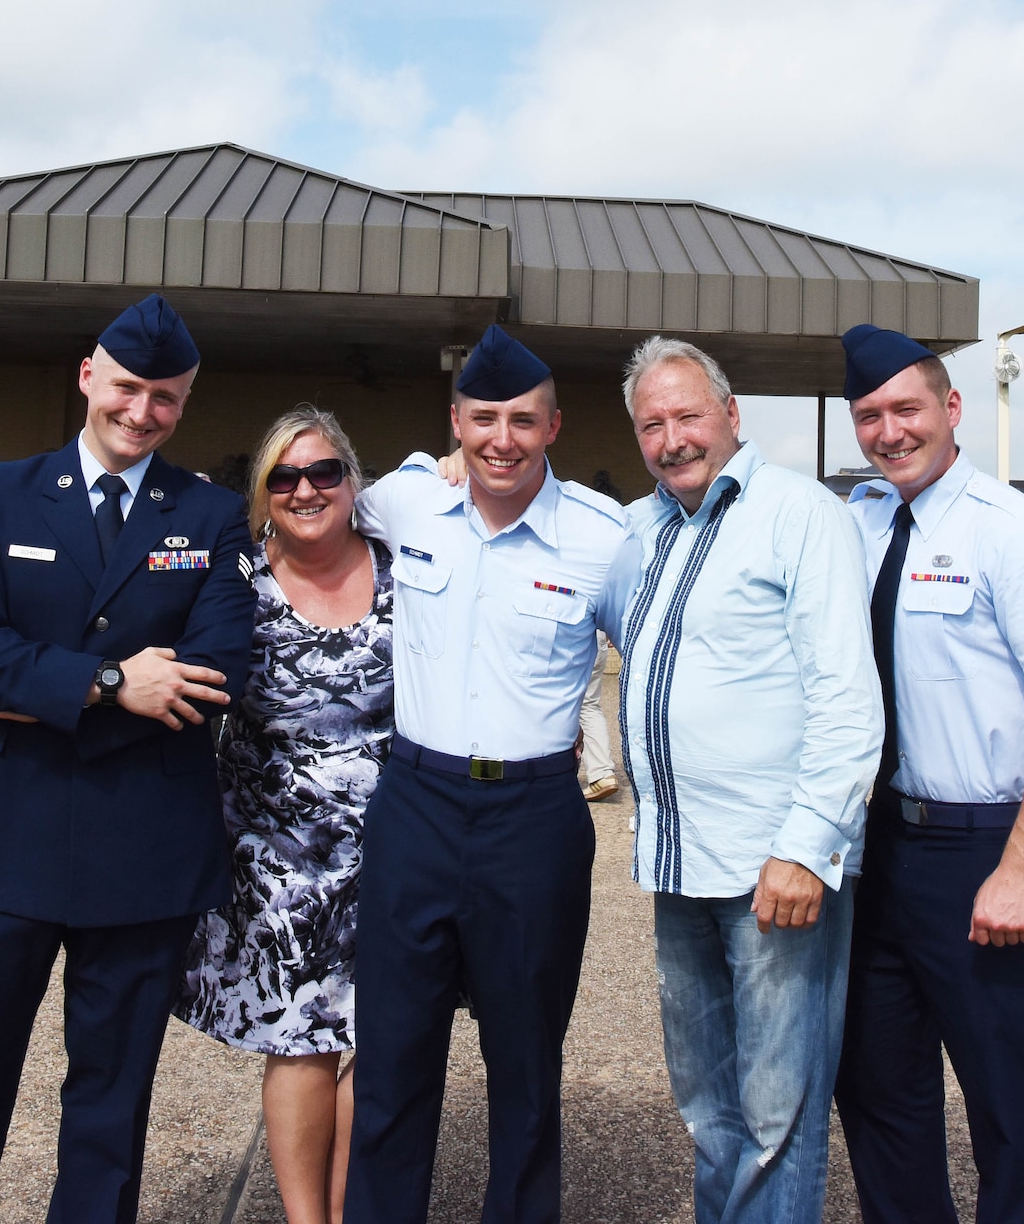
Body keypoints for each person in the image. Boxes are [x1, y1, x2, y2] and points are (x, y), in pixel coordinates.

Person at [0, 294, 255, 1222]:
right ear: (89, 376)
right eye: (128, 387)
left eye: (166, 398)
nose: (142, 412)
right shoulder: (0, 489)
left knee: (110, 1099)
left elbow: (216, 673)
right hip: (3, 843)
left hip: (143, 851)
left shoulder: (211, 515)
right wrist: (106, 684)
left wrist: (29, 696)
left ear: (184, 403)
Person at [342, 324, 640, 1224]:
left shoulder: (604, 536)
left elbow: (661, 663)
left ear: (553, 426)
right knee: (392, 1057)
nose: (499, 438)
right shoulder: (403, 501)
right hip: (416, 806)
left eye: (521, 419)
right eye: (482, 419)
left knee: (525, 1065)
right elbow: (305, 518)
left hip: (533, 817)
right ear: (455, 422)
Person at [833, 325, 1024, 1223]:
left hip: (982, 846)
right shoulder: (855, 522)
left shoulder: (1020, 532)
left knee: (1009, 1094)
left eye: (906, 408)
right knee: (876, 1090)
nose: (888, 431)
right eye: (868, 415)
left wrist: (1022, 868)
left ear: (952, 409)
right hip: (874, 850)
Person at [617, 338, 882, 1224]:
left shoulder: (799, 513)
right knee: (708, 1112)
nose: (671, 438)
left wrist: (808, 847)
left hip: (775, 873)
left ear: (732, 415)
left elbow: (847, 697)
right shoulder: (641, 528)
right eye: (652, 423)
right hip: (677, 867)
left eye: (688, 415)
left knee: (777, 1119)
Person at [178, 408, 391, 1224]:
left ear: (352, 479)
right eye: (286, 477)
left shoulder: (405, 565)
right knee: (301, 1037)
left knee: (380, 1038)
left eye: (324, 471)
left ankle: (351, 1208)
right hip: (275, 857)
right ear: (263, 493)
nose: (307, 489)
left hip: (391, 846)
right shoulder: (235, 581)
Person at [577, 634, 618, 800]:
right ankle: (602, 774)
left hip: (569, 636)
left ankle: (549, 773)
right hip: (595, 635)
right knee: (589, 705)